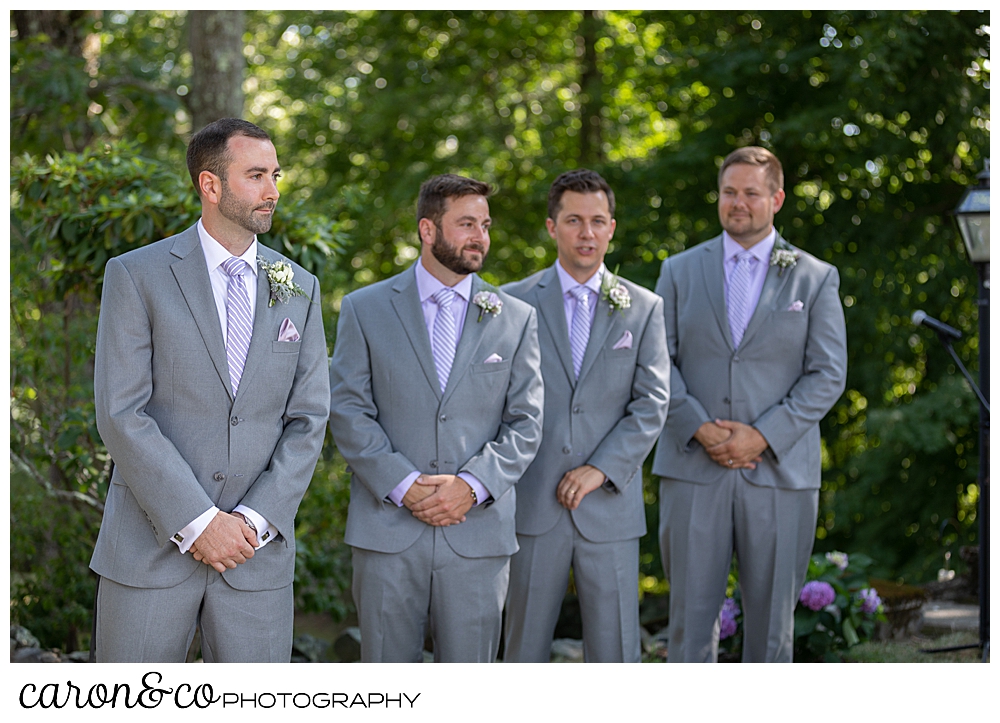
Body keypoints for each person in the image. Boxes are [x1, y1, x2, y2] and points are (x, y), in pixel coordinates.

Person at [89, 118, 329, 662]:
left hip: (255, 558)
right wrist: (198, 522)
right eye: (255, 175)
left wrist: (251, 521)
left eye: (275, 174)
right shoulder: (136, 275)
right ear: (211, 185)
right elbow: (122, 413)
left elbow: (309, 419)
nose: (272, 191)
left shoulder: (300, 288)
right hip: (149, 553)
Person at [328, 174, 544, 663]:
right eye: (466, 223)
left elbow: (527, 422)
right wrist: (405, 485)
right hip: (387, 532)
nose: (480, 237)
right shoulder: (365, 309)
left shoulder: (516, 317)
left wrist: (470, 486)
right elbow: (347, 408)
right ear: (428, 230)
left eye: (485, 225)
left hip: (478, 532)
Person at [653, 146, 847, 662]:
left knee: (772, 632)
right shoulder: (678, 271)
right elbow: (655, 364)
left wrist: (761, 434)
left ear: (777, 198)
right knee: (689, 630)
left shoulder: (815, 277)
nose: (738, 203)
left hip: (780, 473)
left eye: (751, 193)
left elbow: (828, 373)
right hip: (694, 468)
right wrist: (700, 427)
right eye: (729, 192)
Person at [502, 169, 670, 662]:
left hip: (610, 509)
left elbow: (652, 401)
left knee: (616, 655)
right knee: (521, 651)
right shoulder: (509, 302)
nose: (587, 233)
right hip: (531, 505)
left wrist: (602, 468)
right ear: (553, 227)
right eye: (574, 220)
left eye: (598, 221)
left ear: (612, 228)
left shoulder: (644, 308)